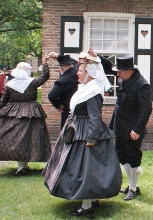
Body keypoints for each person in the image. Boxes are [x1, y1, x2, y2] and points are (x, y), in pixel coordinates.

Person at [43, 51, 122, 216]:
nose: (77, 73)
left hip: (86, 133)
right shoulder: (85, 88)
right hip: (76, 128)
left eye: (80, 71)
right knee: (78, 167)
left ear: (89, 74)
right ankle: (91, 199)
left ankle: (87, 205)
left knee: (86, 169)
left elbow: (95, 117)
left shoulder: (93, 91)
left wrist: (91, 138)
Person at [90, 48, 153, 201]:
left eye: (119, 71)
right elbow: (109, 66)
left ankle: (133, 188)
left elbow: (146, 110)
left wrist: (137, 129)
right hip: (120, 124)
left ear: (129, 70)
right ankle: (133, 186)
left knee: (133, 157)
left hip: (133, 128)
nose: (116, 74)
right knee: (121, 155)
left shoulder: (141, 84)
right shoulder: (123, 77)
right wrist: (97, 56)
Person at [0, 57, 51, 175]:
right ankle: (23, 166)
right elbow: (45, 76)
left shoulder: (10, 84)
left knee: (17, 139)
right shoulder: (32, 82)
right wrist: (45, 63)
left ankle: (22, 167)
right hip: (31, 112)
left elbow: (3, 100)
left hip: (14, 111)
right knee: (31, 138)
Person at [48, 53, 79, 128]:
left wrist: (58, 106)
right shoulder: (78, 71)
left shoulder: (62, 81)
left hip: (67, 110)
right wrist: (58, 57)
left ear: (61, 68)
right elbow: (76, 62)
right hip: (81, 110)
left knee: (66, 134)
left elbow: (51, 95)